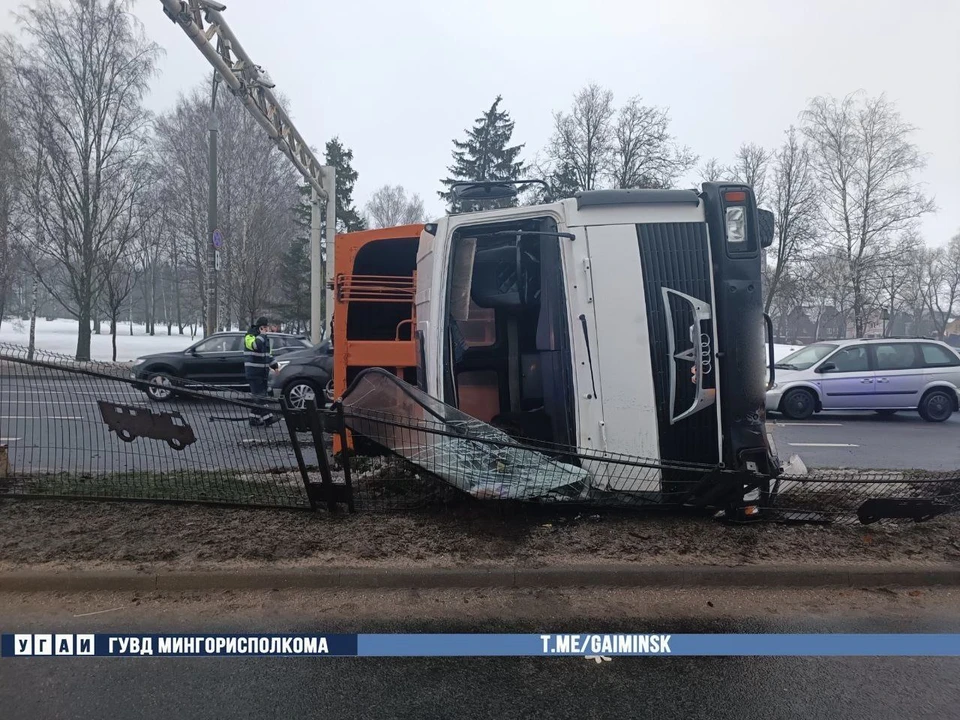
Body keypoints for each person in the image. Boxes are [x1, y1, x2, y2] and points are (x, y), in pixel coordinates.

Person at [244, 316, 280, 427]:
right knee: (260, 396)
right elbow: (255, 346)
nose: (267, 329)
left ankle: (254, 419)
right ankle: (268, 418)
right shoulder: (250, 337)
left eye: (267, 327)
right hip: (254, 372)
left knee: (259, 396)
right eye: (264, 327)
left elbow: (267, 355)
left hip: (262, 372)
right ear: (260, 328)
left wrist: (274, 366)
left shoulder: (264, 338)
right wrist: (261, 336)